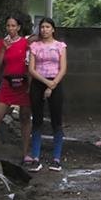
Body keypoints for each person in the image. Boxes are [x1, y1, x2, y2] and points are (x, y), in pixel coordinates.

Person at [27, 17, 68, 172]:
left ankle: (56, 158)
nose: (44, 30)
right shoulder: (35, 46)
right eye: (42, 27)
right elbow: (31, 69)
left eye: (47, 27)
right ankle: (35, 157)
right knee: (37, 120)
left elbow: (63, 68)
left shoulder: (60, 46)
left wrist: (53, 84)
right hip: (38, 82)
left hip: (55, 82)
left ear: (53, 29)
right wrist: (46, 82)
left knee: (56, 120)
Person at [0, 16, 33, 162]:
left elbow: (31, 62)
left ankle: (26, 152)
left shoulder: (26, 43)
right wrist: (3, 49)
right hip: (7, 83)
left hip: (23, 83)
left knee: (25, 117)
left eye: (13, 26)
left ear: (19, 27)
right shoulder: (0, 43)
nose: (11, 28)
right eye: (8, 26)